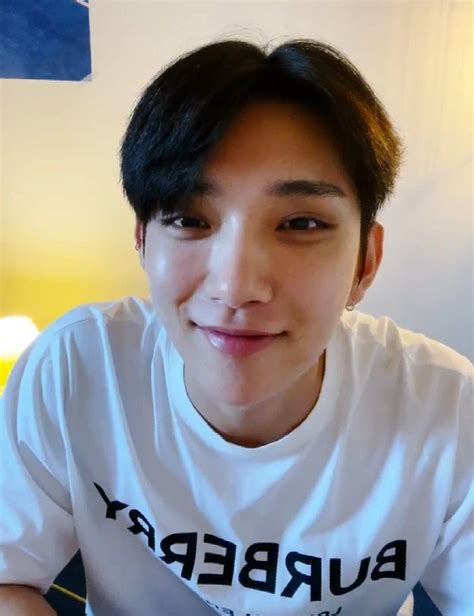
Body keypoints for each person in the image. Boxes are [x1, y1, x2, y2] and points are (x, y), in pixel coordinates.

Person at [0, 38, 472, 616]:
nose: (236, 285)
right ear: (143, 243)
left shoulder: (446, 407)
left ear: (365, 263)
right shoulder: (77, 368)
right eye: (189, 219)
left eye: (301, 224)